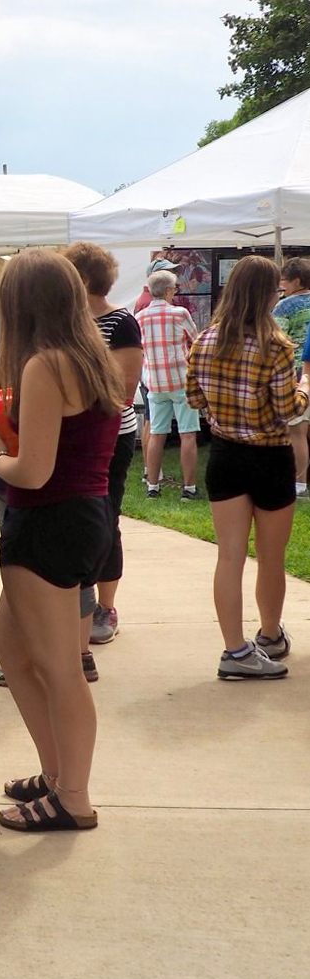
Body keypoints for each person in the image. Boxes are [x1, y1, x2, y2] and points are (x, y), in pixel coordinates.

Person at [0, 250, 125, 833]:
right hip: (84, 516)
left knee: (60, 666)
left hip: (47, 521)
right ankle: (58, 772)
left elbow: (33, 470)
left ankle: (74, 796)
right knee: (13, 649)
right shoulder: (95, 358)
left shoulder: (45, 365)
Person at [186, 255, 309, 680]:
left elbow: (195, 399)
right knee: (270, 558)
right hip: (270, 457)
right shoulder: (275, 346)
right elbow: (288, 410)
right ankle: (270, 636)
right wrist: (306, 389)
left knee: (230, 557)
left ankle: (234, 650)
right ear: (267, 294)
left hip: (224, 454)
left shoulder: (205, 340)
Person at [63, 243, 145, 651]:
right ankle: (80, 603)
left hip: (111, 437)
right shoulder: (65, 323)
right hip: (71, 439)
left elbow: (125, 389)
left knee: (105, 517)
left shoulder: (120, 322)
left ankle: (105, 607)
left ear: (81, 279)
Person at [136, 270, 201, 500]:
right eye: (174, 288)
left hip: (155, 381)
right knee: (187, 434)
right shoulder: (179, 313)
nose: (175, 292)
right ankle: (189, 489)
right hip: (180, 381)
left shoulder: (140, 317)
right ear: (167, 291)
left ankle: (152, 486)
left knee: (157, 434)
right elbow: (197, 341)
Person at [274, 258, 310, 497]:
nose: (281, 286)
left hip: (297, 375)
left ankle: (299, 484)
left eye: (284, 282)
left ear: (296, 281)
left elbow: (276, 341)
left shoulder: (284, 307)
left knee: (297, 432)